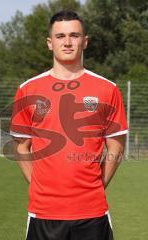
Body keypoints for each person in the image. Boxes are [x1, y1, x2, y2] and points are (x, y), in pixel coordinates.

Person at [10, 10, 128, 240]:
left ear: (85, 42)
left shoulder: (107, 89)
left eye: (74, 35)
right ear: (49, 43)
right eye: (60, 36)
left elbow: (116, 148)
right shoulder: (28, 90)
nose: (67, 42)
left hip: (92, 214)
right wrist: (39, 185)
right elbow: (21, 147)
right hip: (43, 213)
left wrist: (95, 188)